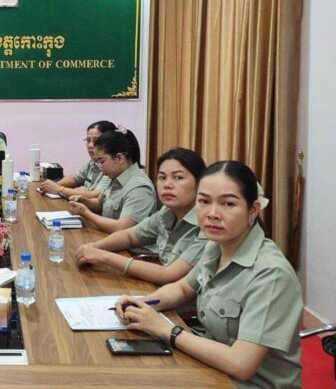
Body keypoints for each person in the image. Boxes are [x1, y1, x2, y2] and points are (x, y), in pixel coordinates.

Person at [113, 161, 302, 389]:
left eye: (228, 204)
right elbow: (183, 288)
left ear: (253, 209)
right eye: (204, 201)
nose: (212, 214)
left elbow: (241, 364)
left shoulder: (271, 274)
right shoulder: (216, 246)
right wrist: (143, 303)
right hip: (208, 367)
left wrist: (166, 329)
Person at [74, 148, 208, 285]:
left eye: (178, 178)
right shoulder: (167, 212)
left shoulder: (208, 224)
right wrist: (96, 246)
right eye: (162, 177)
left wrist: (104, 257)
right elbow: (130, 236)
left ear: (200, 183)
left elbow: (168, 274)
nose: (167, 185)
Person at [67, 127, 156, 233]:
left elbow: (122, 228)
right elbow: (100, 204)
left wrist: (85, 212)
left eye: (102, 162)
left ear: (119, 158)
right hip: (106, 236)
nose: (100, 168)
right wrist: (85, 201)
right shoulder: (113, 177)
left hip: (126, 243)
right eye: (97, 162)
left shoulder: (139, 188)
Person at [40, 120, 115, 200]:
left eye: (96, 141)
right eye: (88, 140)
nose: (90, 145)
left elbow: (96, 195)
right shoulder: (93, 162)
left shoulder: (111, 166)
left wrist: (59, 189)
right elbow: (75, 179)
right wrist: (53, 185)